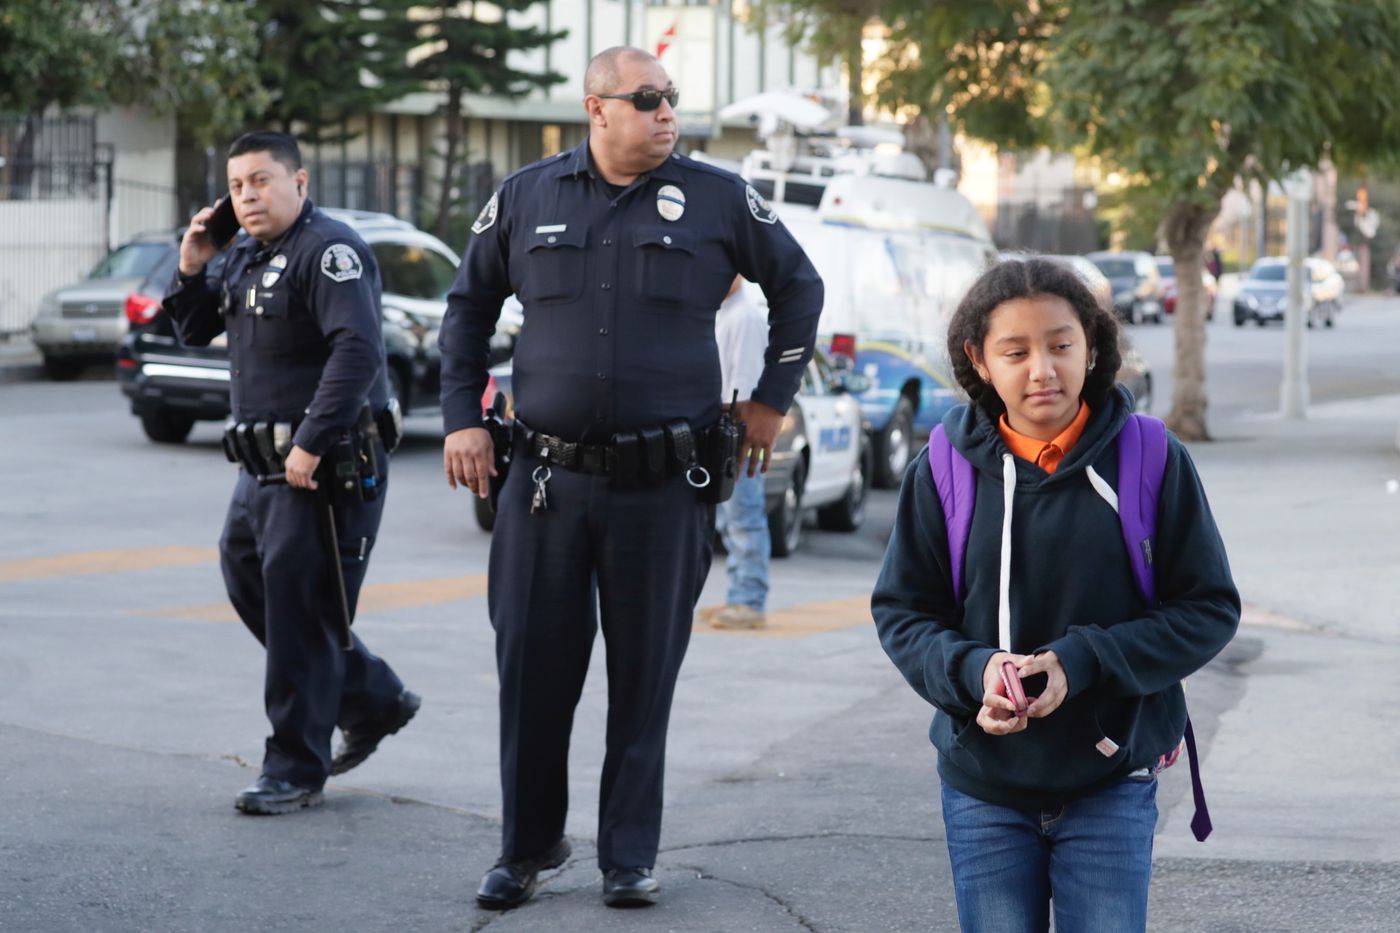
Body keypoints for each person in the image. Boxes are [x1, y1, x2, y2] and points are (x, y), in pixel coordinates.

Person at [438, 46, 823, 910]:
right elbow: (466, 309)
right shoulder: (528, 195)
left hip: (661, 485)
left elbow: (800, 287)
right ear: (597, 108)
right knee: (533, 673)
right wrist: (463, 413)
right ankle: (526, 847)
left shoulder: (719, 197)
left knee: (643, 678)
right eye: (646, 99)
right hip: (543, 482)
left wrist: (770, 399)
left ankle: (628, 854)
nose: (666, 112)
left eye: (671, 99)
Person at [871, 258, 1239, 931]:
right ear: (979, 360)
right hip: (984, 784)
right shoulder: (942, 468)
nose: (1042, 369)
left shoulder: (1151, 456)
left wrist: (1083, 660)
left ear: (1093, 348)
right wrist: (975, 671)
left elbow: (1209, 607)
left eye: (1061, 345)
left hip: (1111, 777)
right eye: (1016, 351)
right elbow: (903, 611)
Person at [164, 131, 420, 816]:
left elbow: (358, 351)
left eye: (261, 181)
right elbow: (190, 329)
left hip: (323, 465)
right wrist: (191, 265)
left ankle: (294, 768)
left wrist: (311, 440)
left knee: (301, 611)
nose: (248, 195)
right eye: (237, 185)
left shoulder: (329, 251)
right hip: (264, 469)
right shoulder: (245, 253)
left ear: (299, 182)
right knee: (244, 571)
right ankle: (371, 694)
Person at [704, 275, 772, 630]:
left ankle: (748, 600)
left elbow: (743, 388)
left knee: (743, 517)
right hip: (729, 428)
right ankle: (741, 596)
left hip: (736, 430)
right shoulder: (727, 313)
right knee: (733, 519)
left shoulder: (744, 317)